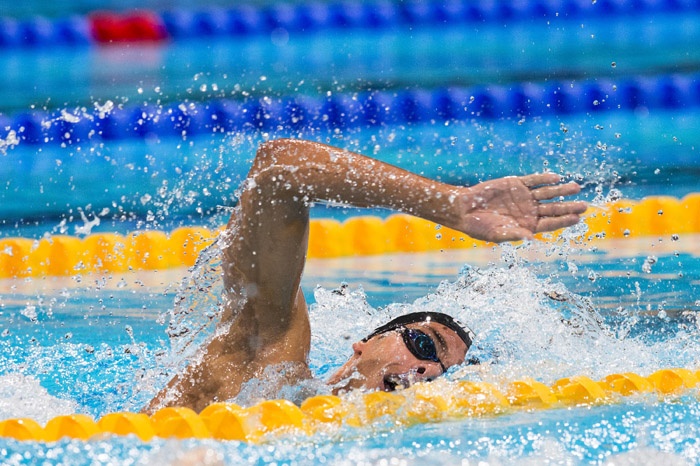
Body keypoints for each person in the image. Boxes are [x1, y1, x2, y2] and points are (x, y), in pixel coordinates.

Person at [145, 138, 586, 413]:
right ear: (364, 344)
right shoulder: (267, 364)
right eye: (422, 344)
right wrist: (447, 205)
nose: (427, 371)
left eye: (442, 373)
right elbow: (279, 170)